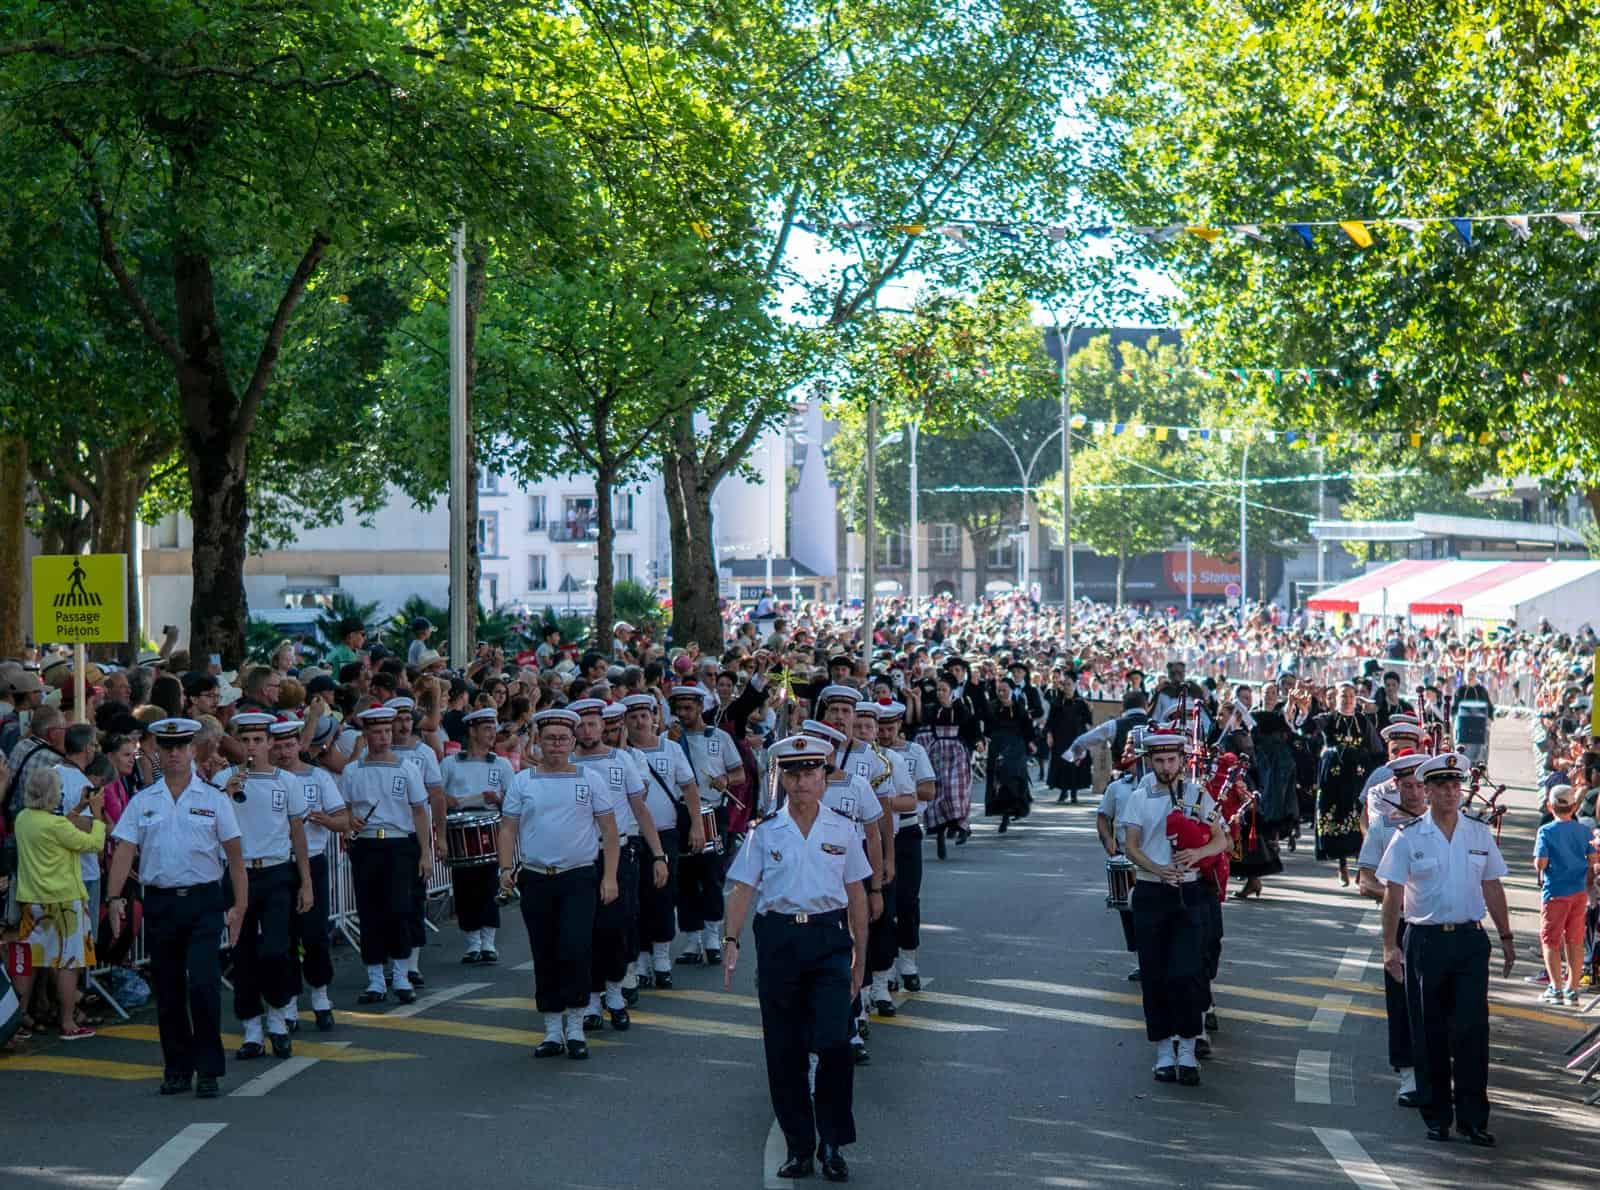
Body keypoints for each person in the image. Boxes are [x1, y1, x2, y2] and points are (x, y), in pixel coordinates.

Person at [721, 734, 870, 1183]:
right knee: (783, 1050)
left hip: (828, 940)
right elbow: (743, 888)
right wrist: (731, 940)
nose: (802, 782)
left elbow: (856, 892)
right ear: (783, 779)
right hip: (781, 940)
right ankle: (799, 1146)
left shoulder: (843, 828)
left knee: (833, 1044)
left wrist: (861, 957)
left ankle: (833, 1142)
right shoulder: (765, 832)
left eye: (811, 772)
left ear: (825, 778)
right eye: (793, 774)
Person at [1378, 752, 1515, 1146]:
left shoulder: (1478, 833)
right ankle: (1437, 1115)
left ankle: (1473, 1118)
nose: (1451, 793)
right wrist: (1390, 947)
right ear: (1429, 791)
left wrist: (1506, 937)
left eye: (1457, 786)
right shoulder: (1409, 835)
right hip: (1426, 941)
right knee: (1429, 1030)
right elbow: (1393, 894)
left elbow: (1492, 885)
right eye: (1442, 787)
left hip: (1470, 940)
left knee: (1473, 1030)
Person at [106, 718, 248, 1098]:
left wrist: (240, 906)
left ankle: (209, 1069)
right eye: (167, 747)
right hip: (161, 903)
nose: (174, 754)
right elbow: (123, 850)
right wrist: (114, 897)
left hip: (203, 901)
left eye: (181, 746)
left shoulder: (214, 799)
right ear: (158, 751)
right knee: (168, 991)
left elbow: (235, 857)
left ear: (192, 750)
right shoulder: (143, 801)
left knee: (203, 985)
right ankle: (177, 1068)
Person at [497, 707, 621, 1060]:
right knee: (545, 951)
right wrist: (505, 868)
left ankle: (577, 1027)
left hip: (580, 876)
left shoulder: (589, 779)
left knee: (576, 947)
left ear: (572, 741)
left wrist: (609, 876)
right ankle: (552, 1030)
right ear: (539, 740)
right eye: (550, 738)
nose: (557, 745)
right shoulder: (524, 781)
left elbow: (610, 832)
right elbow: (507, 828)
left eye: (563, 739)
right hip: (537, 878)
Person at [1119, 730, 1228, 1086]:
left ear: (1182, 760)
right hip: (1152, 892)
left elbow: (1222, 838)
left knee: (1187, 972)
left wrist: (1196, 854)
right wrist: (1157, 868)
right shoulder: (1138, 798)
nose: (1167, 767)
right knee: (1155, 975)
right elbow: (1131, 846)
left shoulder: (1197, 794)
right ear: (1150, 761)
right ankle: (1164, 1049)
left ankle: (1187, 1047)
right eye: (1159, 761)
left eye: (1172, 760)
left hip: (1190, 890)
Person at [214, 712, 314, 1059]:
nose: (252, 747)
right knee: (241, 953)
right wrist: (225, 795)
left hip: (275, 871)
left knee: (275, 948)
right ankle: (251, 1028)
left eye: (259, 740)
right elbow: (211, 825)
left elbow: (298, 834)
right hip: (239, 873)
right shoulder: (224, 778)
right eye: (246, 740)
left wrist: (306, 882)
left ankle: (277, 1016)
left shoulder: (286, 781)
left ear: (270, 743)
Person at [571, 697, 666, 1030]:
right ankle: (593, 1000)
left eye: (593, 722)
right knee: (587, 932)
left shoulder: (621, 761)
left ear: (603, 725)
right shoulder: (566, 764)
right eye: (580, 724)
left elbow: (640, 809)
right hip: (581, 859)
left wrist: (658, 855)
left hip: (621, 853)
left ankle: (615, 991)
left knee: (617, 926)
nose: (587, 729)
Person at [339, 706, 433, 1005]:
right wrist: (347, 826)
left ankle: (402, 975)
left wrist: (425, 852)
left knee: (399, 908)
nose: (383, 737)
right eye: (377, 732)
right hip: (366, 845)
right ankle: (376, 979)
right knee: (369, 912)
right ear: (365, 734)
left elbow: (419, 811)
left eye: (387, 731)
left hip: (398, 844)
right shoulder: (353, 770)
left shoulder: (407, 768)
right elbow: (345, 808)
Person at [1355, 750, 1428, 1106]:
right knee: (1402, 1002)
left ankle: (1439, 1070)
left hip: (1442, 926)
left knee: (1444, 1003)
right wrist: (1399, 896)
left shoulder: (1452, 822)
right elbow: (1366, 881)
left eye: (1420, 785)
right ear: (1395, 786)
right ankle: (1409, 1074)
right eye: (1407, 785)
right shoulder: (1384, 824)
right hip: (1402, 926)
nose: (1414, 792)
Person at [11, 766, 106, 1040]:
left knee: (30, 961)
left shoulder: (23, 819)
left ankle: (18, 1019)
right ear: (54, 793)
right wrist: (96, 813)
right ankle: (68, 1023)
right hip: (64, 902)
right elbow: (93, 844)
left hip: (32, 901)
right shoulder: (56, 825)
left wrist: (78, 808)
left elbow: (58, 828)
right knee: (68, 961)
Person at [271, 716, 347, 1031]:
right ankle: (288, 1004)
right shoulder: (264, 779)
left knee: (314, 933)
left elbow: (343, 819)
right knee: (283, 936)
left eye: (290, 745)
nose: (284, 752)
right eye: (278, 746)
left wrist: (323, 820)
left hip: (312, 860)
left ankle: (320, 996)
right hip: (277, 864)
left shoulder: (318, 777)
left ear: (299, 745)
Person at [625, 692, 702, 989]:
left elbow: (690, 788)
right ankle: (642, 960)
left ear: (654, 718)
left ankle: (661, 958)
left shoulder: (670, 748)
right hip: (633, 836)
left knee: (663, 895)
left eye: (644, 716)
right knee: (637, 899)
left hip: (666, 832)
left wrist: (696, 825)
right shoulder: (624, 754)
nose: (640, 722)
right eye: (633, 717)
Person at [668, 685, 743, 966]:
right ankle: (691, 940)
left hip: (712, 810)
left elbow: (739, 773)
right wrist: (671, 742)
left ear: (700, 707)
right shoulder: (670, 740)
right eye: (680, 708)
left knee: (711, 874)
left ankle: (713, 937)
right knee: (685, 877)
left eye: (689, 708)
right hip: (681, 813)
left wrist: (725, 779)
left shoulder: (720, 737)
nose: (684, 714)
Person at [440, 706, 515, 964]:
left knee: (488, 885)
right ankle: (472, 944)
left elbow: (514, 798)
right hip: (460, 829)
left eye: (493, 728)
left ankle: (488, 942)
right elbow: (437, 796)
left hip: (489, 827)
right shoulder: (451, 763)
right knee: (464, 887)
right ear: (471, 731)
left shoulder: (502, 764)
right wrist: (450, 801)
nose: (492, 734)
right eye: (486, 729)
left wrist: (500, 797)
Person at [879, 702, 935, 991]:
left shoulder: (914, 752)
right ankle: (885, 965)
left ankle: (908, 959)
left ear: (900, 724)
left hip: (908, 827)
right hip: (877, 831)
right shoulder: (870, 753)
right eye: (881, 727)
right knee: (884, 904)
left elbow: (928, 790)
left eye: (890, 727)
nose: (885, 732)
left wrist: (901, 792)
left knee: (908, 899)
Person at [1533, 784, 1596, 1005]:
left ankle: (1556, 987)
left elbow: (1541, 863)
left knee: (1550, 939)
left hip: (1555, 892)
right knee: (1575, 939)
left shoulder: (1546, 831)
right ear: (1575, 806)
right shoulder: (1584, 831)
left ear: (1550, 806)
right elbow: (1592, 859)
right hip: (1579, 892)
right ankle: (1572, 988)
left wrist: (1539, 864)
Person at [1315, 682, 1377, 885]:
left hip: (1357, 776)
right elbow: (1305, 727)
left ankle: (1361, 868)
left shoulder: (1362, 720)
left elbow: (1375, 747)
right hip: (1334, 777)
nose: (1348, 699)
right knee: (1337, 817)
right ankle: (1341, 866)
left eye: (1351, 696)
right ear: (1336, 698)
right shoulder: (1329, 719)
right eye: (1344, 696)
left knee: (1358, 819)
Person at [921, 676, 973, 857]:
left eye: (943, 690)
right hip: (937, 752)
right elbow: (924, 723)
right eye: (938, 690)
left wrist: (978, 741)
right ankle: (940, 835)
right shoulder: (932, 709)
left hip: (956, 751)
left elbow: (970, 727)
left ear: (951, 692)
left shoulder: (960, 708)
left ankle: (962, 826)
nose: (940, 693)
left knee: (955, 790)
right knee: (938, 793)